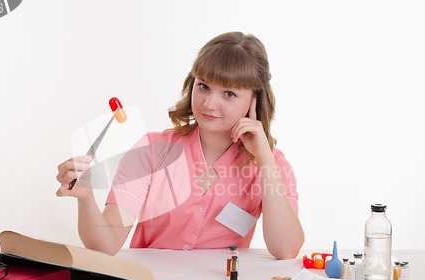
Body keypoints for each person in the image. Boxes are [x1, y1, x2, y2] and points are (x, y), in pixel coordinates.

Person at [56, 32, 304, 259]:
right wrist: (86, 198)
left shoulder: (273, 164)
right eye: (204, 86)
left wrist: (265, 161)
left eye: (228, 94)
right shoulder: (153, 150)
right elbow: (105, 245)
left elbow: (286, 249)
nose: (208, 103)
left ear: (254, 100)